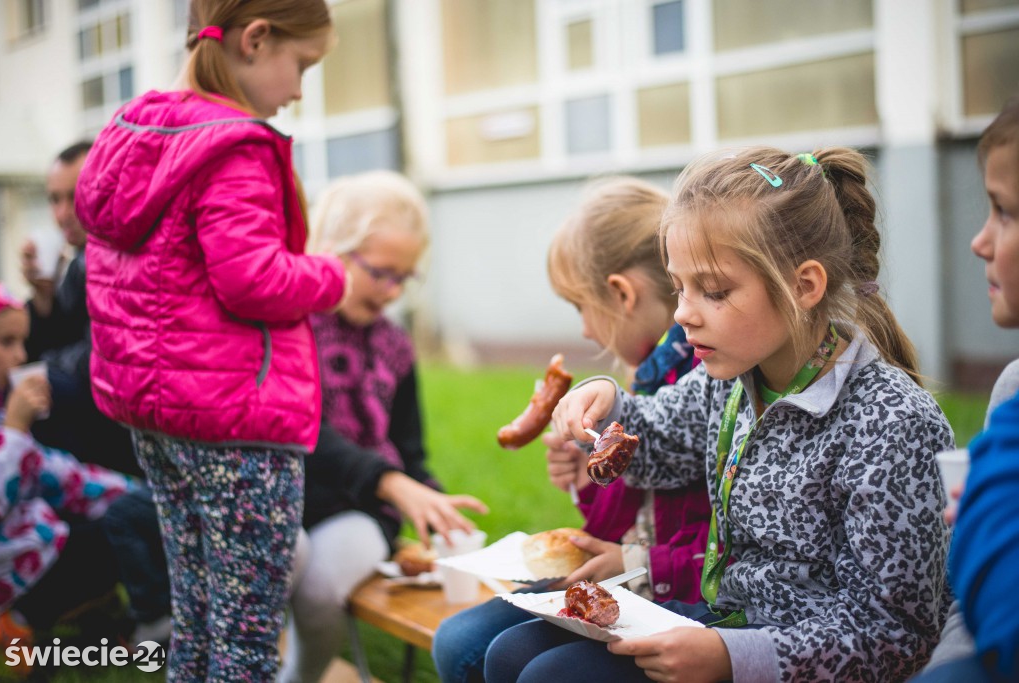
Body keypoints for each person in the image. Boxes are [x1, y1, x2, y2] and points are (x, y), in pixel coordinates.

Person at [485, 146, 954, 683]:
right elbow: (656, 440)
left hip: (786, 660)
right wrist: (606, 401)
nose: (683, 313)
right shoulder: (728, 382)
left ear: (804, 286)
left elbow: (895, 633)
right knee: (508, 655)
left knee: (553, 677)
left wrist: (733, 658)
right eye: (679, 287)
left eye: (713, 291)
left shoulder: (892, 424)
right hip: (726, 623)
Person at [72, 1, 348, 679]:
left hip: (161, 420)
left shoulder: (135, 129)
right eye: (302, 65)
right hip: (236, 429)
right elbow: (252, 279)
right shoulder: (235, 145)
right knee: (248, 641)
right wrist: (333, 274)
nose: (299, 90)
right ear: (256, 40)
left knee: (197, 618)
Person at [431, 177, 712, 683]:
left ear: (621, 294)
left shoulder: (703, 381)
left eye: (581, 307)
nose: (584, 329)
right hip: (630, 571)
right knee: (457, 641)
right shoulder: (641, 377)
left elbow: (709, 547)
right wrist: (589, 481)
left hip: (675, 588)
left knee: (527, 666)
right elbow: (612, 525)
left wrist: (637, 559)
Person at [279, 171, 488, 683]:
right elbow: (301, 430)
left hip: (358, 512)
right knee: (280, 570)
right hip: (284, 497)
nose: (392, 291)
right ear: (332, 251)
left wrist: (429, 505)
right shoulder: (289, 326)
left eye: (405, 277)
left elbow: (408, 448)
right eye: (380, 273)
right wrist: (389, 480)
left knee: (321, 591)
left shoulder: (395, 345)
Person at [911, 95, 1019, 683]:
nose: (980, 241)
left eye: (1003, 212)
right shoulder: (1012, 388)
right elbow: (963, 621)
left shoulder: (893, 418)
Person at [0, 283, 134, 659]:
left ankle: (93, 625)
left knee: (124, 519)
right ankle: (16, 621)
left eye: (22, 342)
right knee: (114, 543)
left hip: (31, 546)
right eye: (6, 343)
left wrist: (136, 496)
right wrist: (14, 431)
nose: (20, 355)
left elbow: (55, 474)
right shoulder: (7, 422)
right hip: (14, 565)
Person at [19, 141, 141, 478]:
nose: (61, 213)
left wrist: (34, 372)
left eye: (73, 197)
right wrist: (44, 299)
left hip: (121, 450)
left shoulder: (125, 258)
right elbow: (62, 336)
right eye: (54, 199)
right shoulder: (78, 264)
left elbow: (101, 361)